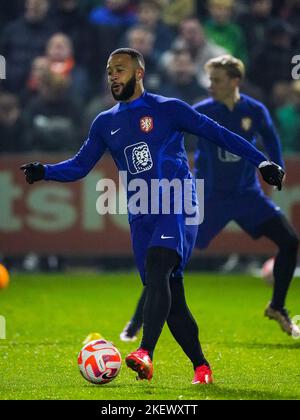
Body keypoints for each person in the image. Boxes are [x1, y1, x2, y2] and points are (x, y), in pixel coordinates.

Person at [20, 48, 284, 384]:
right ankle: (201, 367)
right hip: (141, 211)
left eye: (120, 70)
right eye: (109, 70)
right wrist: (44, 171)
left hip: (178, 202)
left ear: (139, 73)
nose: (113, 76)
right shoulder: (105, 122)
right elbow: (79, 166)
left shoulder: (169, 109)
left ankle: (145, 352)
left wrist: (262, 161)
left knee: (161, 266)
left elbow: (220, 134)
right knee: (170, 295)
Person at [120, 54, 299, 344]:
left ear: (235, 81)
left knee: (289, 242)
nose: (210, 85)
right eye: (209, 80)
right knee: (166, 258)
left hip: (247, 196)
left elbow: (271, 137)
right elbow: (168, 140)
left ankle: (277, 307)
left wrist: (276, 166)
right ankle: (137, 321)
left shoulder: (255, 111)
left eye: (216, 80)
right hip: (207, 199)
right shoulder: (201, 110)